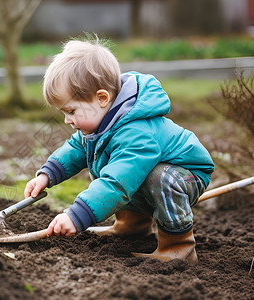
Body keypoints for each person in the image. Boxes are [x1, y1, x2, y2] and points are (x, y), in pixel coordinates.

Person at [24, 37, 214, 265]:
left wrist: (77, 216)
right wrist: (48, 174)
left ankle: (178, 249)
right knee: (117, 167)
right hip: (151, 170)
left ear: (102, 98)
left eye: (72, 111)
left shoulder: (136, 132)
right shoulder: (102, 124)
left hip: (186, 174)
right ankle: (131, 227)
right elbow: (76, 148)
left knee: (153, 178)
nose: (67, 120)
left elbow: (117, 182)